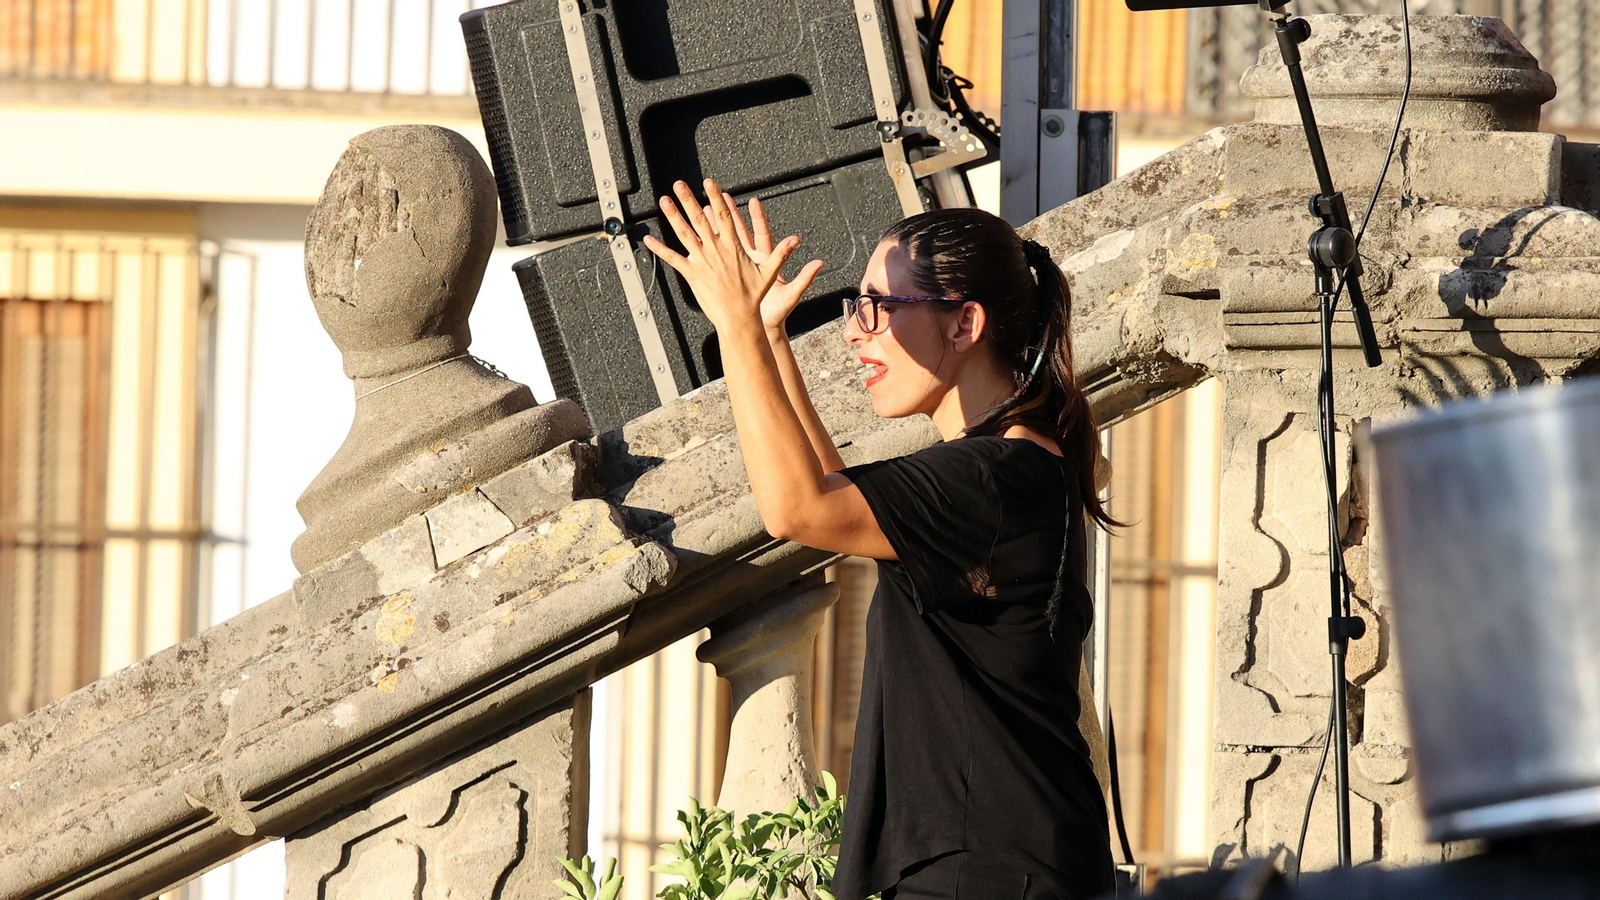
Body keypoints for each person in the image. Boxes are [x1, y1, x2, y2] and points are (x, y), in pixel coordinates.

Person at [643, 179, 1116, 900]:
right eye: (856, 306)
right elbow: (834, 503)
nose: (856, 331)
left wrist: (735, 326)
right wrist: (769, 339)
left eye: (881, 307)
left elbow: (796, 510)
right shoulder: (1004, 466)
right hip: (994, 861)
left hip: (986, 869)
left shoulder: (994, 475)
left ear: (964, 327)